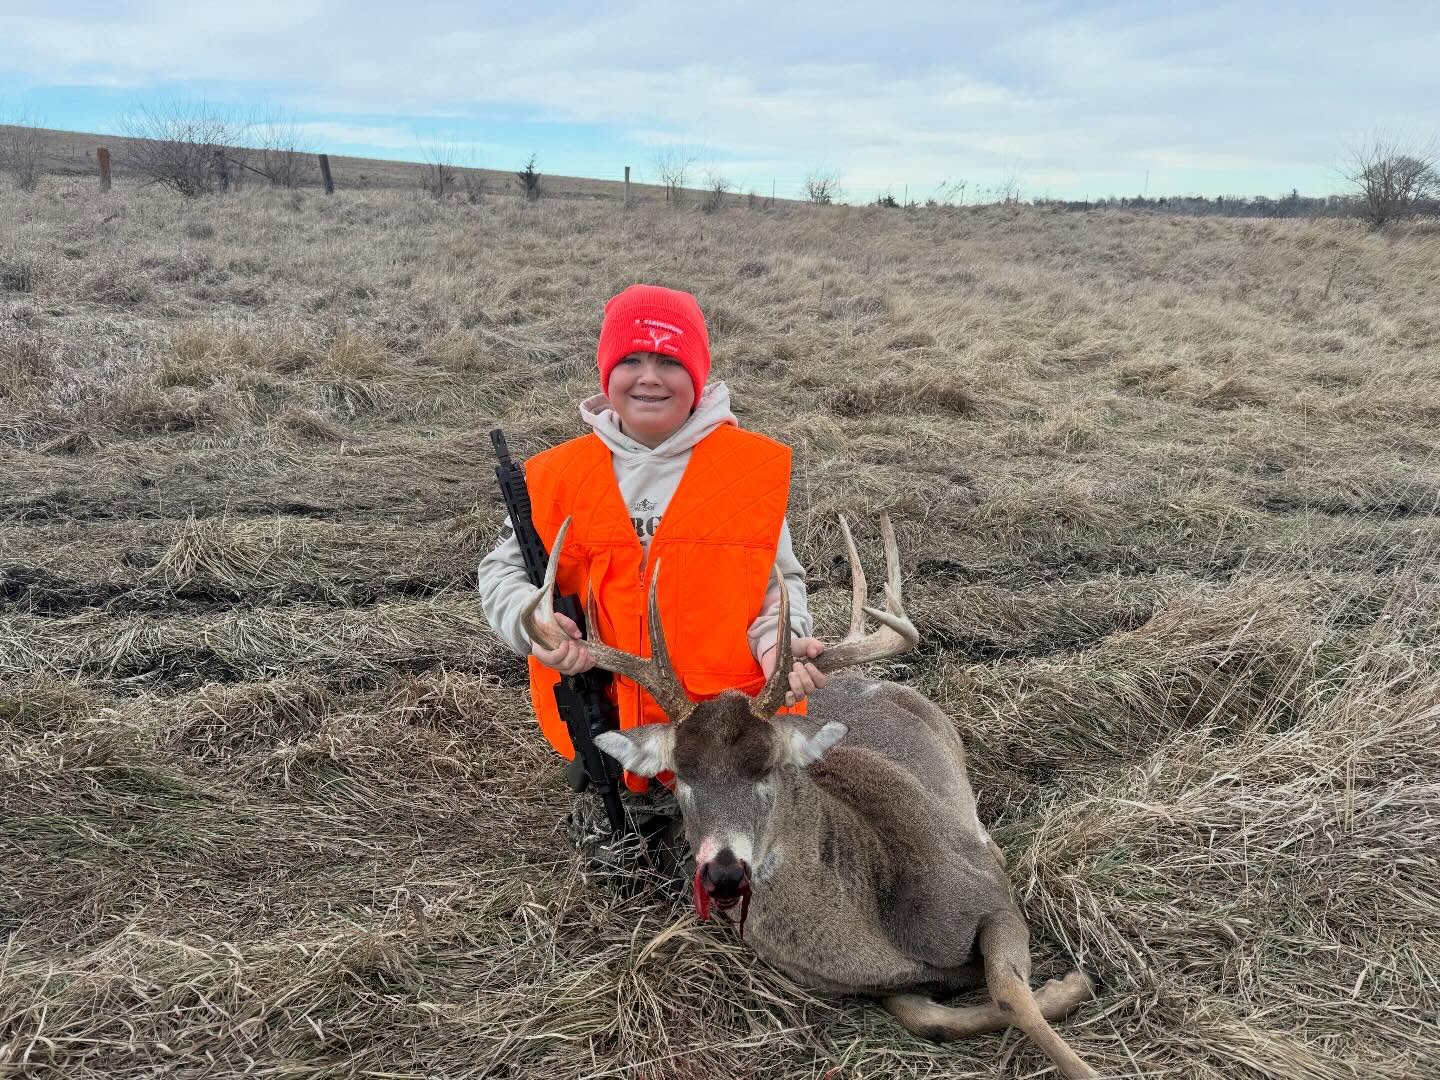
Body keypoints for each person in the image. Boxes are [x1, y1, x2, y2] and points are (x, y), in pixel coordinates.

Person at [478, 283, 826, 880]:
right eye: (631, 360)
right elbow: (502, 571)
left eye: (670, 361)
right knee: (615, 881)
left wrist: (778, 642)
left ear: (697, 375)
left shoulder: (745, 472)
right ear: (606, 372)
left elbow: (778, 587)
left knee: (758, 893)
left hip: (727, 746)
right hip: (609, 737)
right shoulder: (558, 476)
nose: (649, 378)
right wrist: (531, 621)